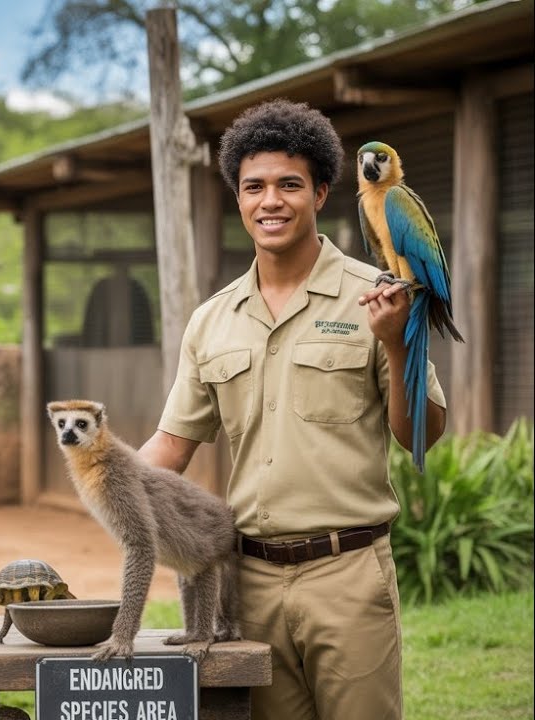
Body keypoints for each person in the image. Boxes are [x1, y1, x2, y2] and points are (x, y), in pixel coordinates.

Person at [138, 99, 446, 720]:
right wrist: (104, 489)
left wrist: (392, 338)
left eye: (289, 185)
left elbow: (425, 433)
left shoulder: (378, 294)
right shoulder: (211, 320)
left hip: (349, 577)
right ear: (238, 198)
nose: (270, 201)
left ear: (322, 192)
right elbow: (170, 447)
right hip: (246, 586)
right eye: (254, 187)